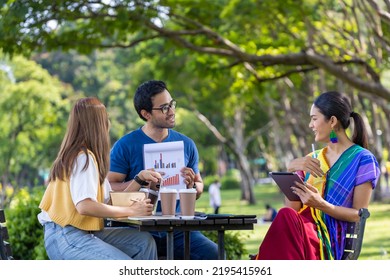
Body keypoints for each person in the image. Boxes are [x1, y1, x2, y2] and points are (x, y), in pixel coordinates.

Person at [255, 91, 380, 260]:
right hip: (302, 233)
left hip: (330, 239)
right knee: (285, 215)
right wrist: (291, 171)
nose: (310, 125)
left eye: (314, 119)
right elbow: (292, 210)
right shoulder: (311, 159)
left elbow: (358, 214)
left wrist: (320, 204)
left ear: (333, 121)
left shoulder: (363, 159)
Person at [38, 97, 160, 260]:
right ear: (97, 125)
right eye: (106, 119)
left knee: (143, 243)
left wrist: (138, 179)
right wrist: (131, 210)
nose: (108, 123)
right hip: (66, 236)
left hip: (77, 232)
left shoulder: (88, 157)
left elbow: (109, 203)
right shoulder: (83, 158)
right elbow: (85, 206)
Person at [108, 80, 218, 260]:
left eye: (172, 104)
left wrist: (191, 186)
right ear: (146, 114)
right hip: (137, 228)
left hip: (179, 230)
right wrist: (138, 181)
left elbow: (198, 186)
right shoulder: (125, 145)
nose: (172, 111)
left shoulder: (187, 144)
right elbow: (110, 186)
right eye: (164, 108)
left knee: (214, 254)